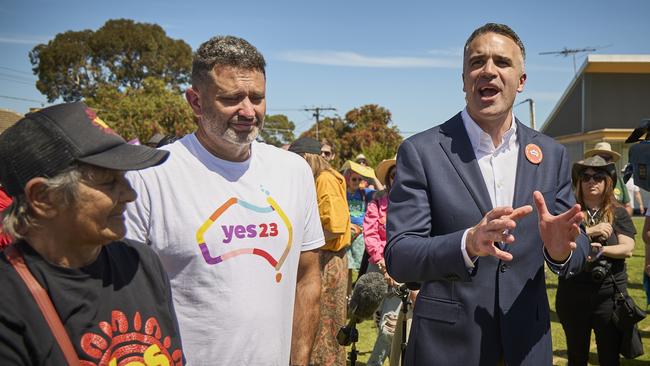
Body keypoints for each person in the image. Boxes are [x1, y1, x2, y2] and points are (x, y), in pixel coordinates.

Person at [385, 23, 590, 365]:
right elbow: (400, 255)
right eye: (477, 62)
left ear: (521, 81)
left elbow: (577, 243)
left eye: (502, 62)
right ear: (464, 78)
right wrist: (466, 243)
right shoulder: (421, 151)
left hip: (526, 346)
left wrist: (560, 250)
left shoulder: (551, 154)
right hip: (446, 347)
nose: (489, 70)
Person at [125, 36, 324, 365]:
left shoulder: (294, 171)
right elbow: (124, 296)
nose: (248, 111)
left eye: (257, 98)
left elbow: (307, 278)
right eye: (231, 98)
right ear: (196, 101)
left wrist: (299, 360)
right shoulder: (149, 175)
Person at [0, 102, 183, 364]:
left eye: (124, 178)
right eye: (109, 182)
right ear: (43, 198)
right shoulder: (10, 300)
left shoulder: (140, 262)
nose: (130, 194)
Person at [556, 156, 636, 365]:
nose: (591, 181)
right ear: (579, 182)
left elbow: (627, 248)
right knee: (576, 356)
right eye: (586, 177)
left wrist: (602, 251)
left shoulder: (618, 212)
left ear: (607, 182)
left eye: (598, 177)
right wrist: (590, 231)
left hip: (608, 296)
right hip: (572, 294)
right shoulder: (568, 212)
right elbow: (557, 242)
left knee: (609, 358)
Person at [289, 136, 351, 366]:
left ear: (306, 158)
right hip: (325, 256)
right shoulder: (322, 179)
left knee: (324, 323)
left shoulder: (325, 179)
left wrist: (303, 244)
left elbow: (333, 227)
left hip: (327, 259)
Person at [364, 156, 402, 366]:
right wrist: (381, 262)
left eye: (401, 174)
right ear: (389, 179)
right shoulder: (377, 202)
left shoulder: (416, 203)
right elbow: (370, 234)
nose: (398, 179)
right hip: (377, 269)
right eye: (394, 175)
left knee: (390, 325)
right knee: (379, 321)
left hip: (402, 270)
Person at [584, 142, 632, 215]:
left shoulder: (618, 180)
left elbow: (627, 206)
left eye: (606, 158)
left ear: (611, 161)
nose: (602, 161)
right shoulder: (584, 180)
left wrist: (623, 221)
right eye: (599, 158)